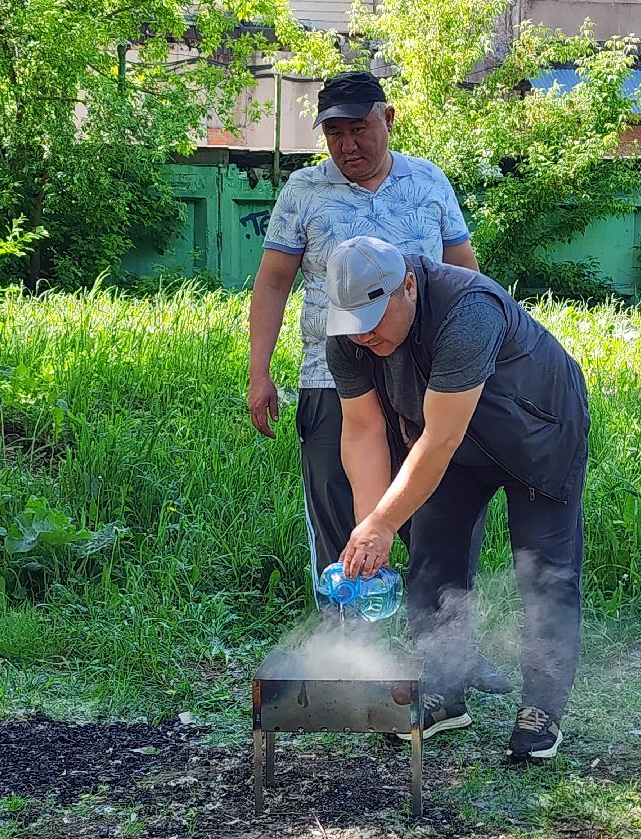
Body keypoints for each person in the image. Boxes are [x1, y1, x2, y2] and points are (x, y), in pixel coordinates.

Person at [246, 70, 509, 695]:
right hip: (332, 380)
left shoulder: (429, 182)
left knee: (442, 516)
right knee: (343, 518)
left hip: (428, 386)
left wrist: (479, 369)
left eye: (358, 128)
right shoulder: (303, 191)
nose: (347, 145)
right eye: (333, 133)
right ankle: (346, 656)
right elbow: (273, 283)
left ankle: (450, 655)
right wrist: (259, 372)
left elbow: (468, 279)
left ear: (388, 119)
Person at [324, 235, 589, 761]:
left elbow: (439, 439)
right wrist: (370, 528)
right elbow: (362, 432)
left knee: (544, 571)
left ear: (408, 286)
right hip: (449, 443)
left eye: (375, 317)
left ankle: (541, 709)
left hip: (538, 434)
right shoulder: (348, 337)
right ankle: (444, 692)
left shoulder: (468, 311)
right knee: (433, 558)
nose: (365, 335)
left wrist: (382, 522)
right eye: (354, 323)